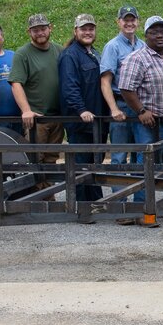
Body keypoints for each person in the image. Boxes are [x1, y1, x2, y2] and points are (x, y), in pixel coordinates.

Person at [119, 16, 163, 168]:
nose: (159, 35)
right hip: (152, 125)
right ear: (145, 35)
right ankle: (144, 192)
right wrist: (141, 110)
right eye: (154, 32)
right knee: (147, 167)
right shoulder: (137, 58)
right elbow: (125, 87)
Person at [59, 13, 106, 202]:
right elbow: (69, 87)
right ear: (75, 31)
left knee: (95, 164)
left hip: (98, 121)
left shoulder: (95, 53)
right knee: (81, 166)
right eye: (83, 29)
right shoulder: (70, 55)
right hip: (81, 122)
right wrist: (81, 110)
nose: (88, 32)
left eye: (91, 28)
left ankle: (95, 203)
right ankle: (82, 207)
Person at [9, 12, 63, 168]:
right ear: (29, 32)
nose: (40, 33)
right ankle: (36, 192)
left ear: (50, 28)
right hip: (37, 119)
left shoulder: (59, 51)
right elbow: (16, 83)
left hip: (57, 117)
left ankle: (48, 192)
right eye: (35, 30)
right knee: (34, 160)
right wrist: (26, 110)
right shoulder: (23, 54)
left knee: (51, 160)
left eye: (43, 28)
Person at [98, 6, 143, 164]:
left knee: (140, 155)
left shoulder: (143, 46)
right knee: (119, 156)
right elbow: (105, 82)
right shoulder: (112, 47)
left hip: (139, 106)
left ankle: (140, 189)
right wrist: (114, 109)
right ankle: (119, 189)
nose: (129, 23)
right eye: (126, 20)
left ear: (138, 22)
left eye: (133, 19)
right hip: (121, 104)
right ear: (118, 22)